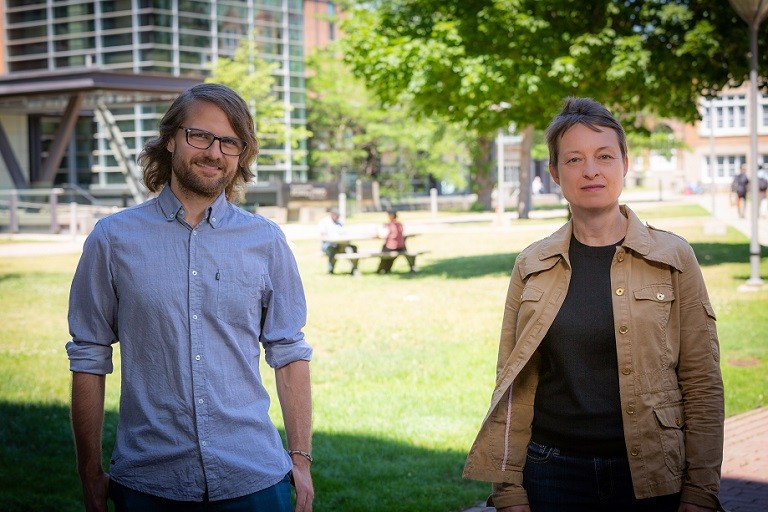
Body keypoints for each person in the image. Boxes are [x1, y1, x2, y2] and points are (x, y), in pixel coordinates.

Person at [463, 97, 724, 512]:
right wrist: (508, 490)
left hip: (653, 474)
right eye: (573, 159)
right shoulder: (532, 265)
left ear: (625, 163)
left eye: (604, 156)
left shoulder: (674, 257)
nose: (590, 170)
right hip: (552, 474)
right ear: (554, 173)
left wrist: (700, 491)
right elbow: (510, 383)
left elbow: (702, 381)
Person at [67, 83, 314, 512]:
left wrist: (301, 459)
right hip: (149, 483)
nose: (214, 152)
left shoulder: (267, 240)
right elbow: (89, 355)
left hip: (254, 478)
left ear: (241, 154)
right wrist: (89, 473)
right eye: (200, 136)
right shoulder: (112, 239)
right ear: (170, 139)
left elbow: (289, 352)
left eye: (230, 142)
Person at [318, 207, 355, 274]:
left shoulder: (340, 222)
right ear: (332, 214)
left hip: (340, 244)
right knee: (332, 250)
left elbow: (345, 233)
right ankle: (330, 270)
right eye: (336, 215)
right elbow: (323, 235)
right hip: (328, 244)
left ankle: (354, 269)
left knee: (352, 249)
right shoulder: (325, 222)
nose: (338, 217)